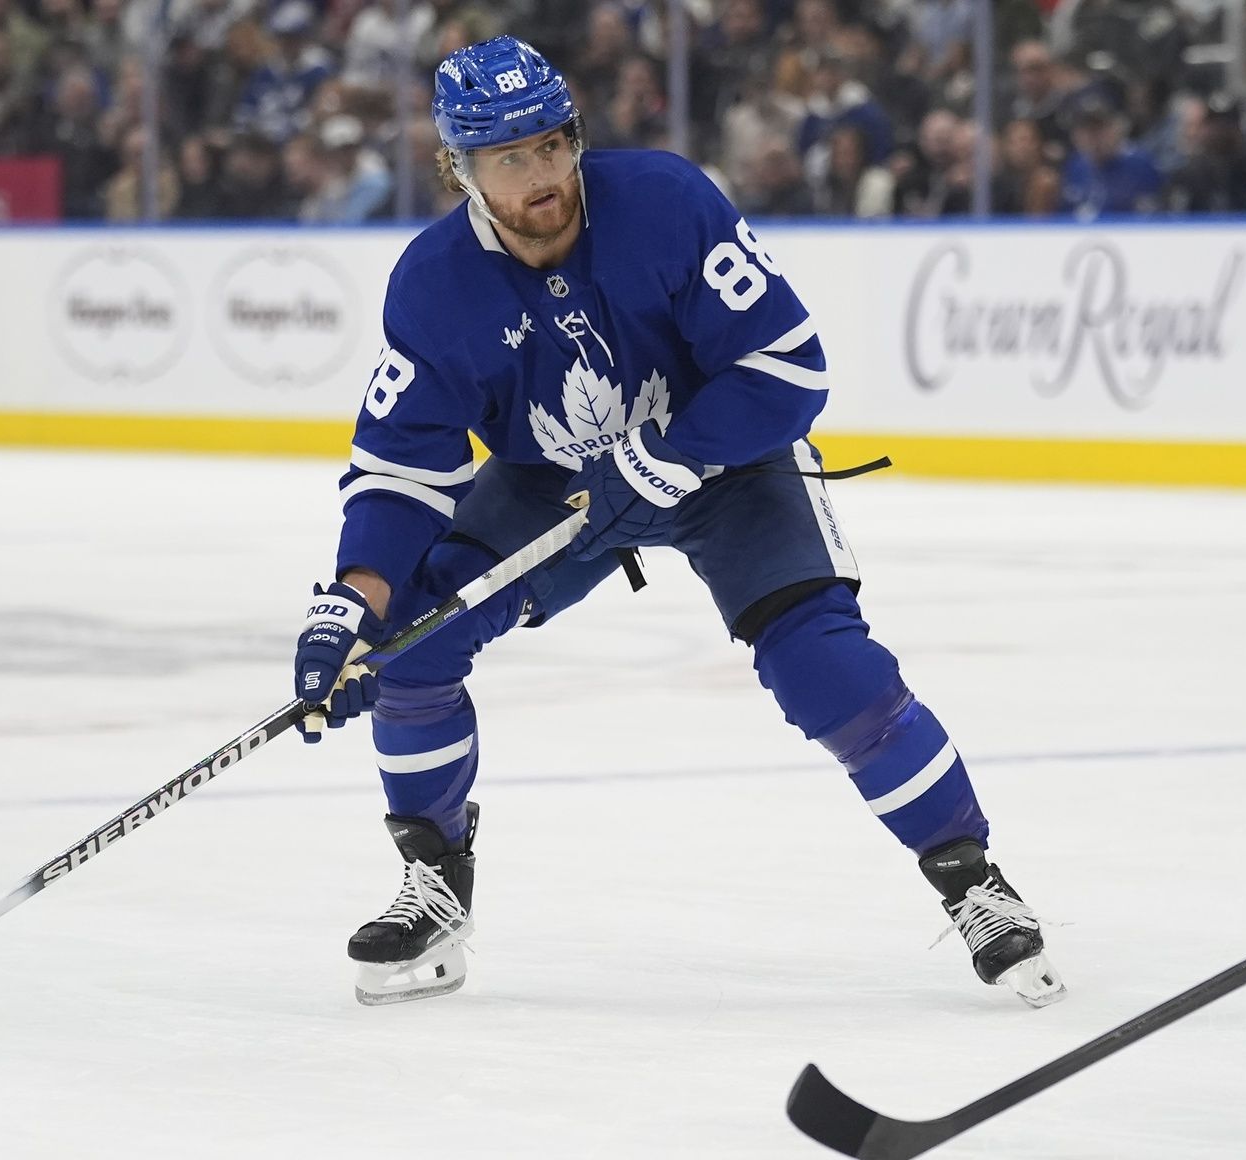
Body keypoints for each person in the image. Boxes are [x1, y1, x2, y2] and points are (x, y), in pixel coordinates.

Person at [290, 35, 1067, 1010]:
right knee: (409, 645)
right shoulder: (434, 284)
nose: (540, 176)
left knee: (829, 669)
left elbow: (786, 368)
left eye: (550, 144)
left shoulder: (663, 202)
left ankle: (970, 880)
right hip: (556, 486)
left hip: (723, 461)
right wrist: (350, 604)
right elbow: (402, 467)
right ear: (458, 168)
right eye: (507, 157)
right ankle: (437, 883)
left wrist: (670, 455)